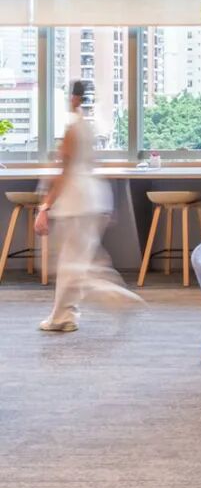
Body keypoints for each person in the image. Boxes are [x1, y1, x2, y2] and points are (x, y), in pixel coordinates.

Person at [34, 80, 140, 332]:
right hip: (94, 199)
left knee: (72, 266)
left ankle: (115, 299)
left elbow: (64, 172)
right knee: (82, 262)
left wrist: (45, 207)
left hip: (76, 202)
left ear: (74, 98)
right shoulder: (88, 129)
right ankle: (65, 316)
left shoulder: (73, 130)